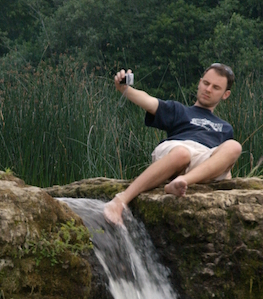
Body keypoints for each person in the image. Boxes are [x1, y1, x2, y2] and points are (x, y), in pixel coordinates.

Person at [103, 63, 242, 225]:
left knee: (234, 146)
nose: (208, 89)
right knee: (182, 153)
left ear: (225, 94)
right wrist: (124, 89)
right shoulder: (179, 110)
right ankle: (120, 200)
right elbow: (148, 101)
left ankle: (181, 181)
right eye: (206, 83)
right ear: (199, 82)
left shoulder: (226, 127)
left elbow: (224, 161)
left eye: (216, 87)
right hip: (177, 151)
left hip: (203, 161)